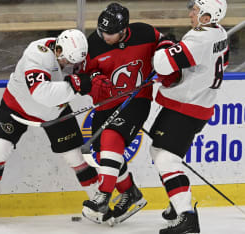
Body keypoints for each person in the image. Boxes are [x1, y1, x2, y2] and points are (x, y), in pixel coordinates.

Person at [0, 29, 99, 223]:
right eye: (67, 61)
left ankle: (98, 202)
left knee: (75, 156)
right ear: (58, 49)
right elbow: (40, 93)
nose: (70, 66)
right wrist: (76, 86)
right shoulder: (37, 53)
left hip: (55, 111)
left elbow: (92, 76)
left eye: (74, 63)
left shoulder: (76, 54)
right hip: (16, 108)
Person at [80, 2, 164, 225]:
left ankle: (102, 196)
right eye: (102, 31)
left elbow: (166, 43)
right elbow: (84, 75)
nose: (104, 36)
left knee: (110, 137)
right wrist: (94, 80)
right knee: (104, 153)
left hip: (137, 100)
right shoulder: (94, 43)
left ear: (124, 29)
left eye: (110, 33)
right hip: (106, 103)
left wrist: (165, 57)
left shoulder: (145, 32)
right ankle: (131, 194)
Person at [150, 0, 229, 233]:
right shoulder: (219, 32)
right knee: (156, 151)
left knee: (166, 159)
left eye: (196, 10)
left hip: (188, 107)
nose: (191, 13)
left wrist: (165, 45)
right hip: (191, 104)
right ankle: (178, 204)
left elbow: (162, 64)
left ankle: (187, 217)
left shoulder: (199, 37)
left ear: (207, 17)